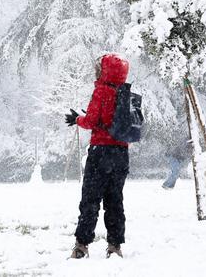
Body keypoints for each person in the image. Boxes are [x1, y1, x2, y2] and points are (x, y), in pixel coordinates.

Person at [65, 53, 130, 259]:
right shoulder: (125, 93)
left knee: (90, 200)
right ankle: (115, 246)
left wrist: (78, 119)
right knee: (115, 201)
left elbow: (91, 121)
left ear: (105, 70)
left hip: (101, 152)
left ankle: (81, 245)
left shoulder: (102, 91)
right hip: (121, 154)